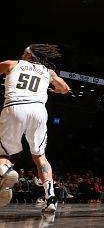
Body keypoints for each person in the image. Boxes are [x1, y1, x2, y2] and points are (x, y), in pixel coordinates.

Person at [0, 44, 71, 213]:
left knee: (3, 152)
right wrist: (57, 90)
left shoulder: (12, 64)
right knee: (40, 156)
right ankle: (51, 198)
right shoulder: (48, 72)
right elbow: (65, 88)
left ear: (27, 54)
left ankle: (5, 170)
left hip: (15, 106)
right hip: (38, 111)